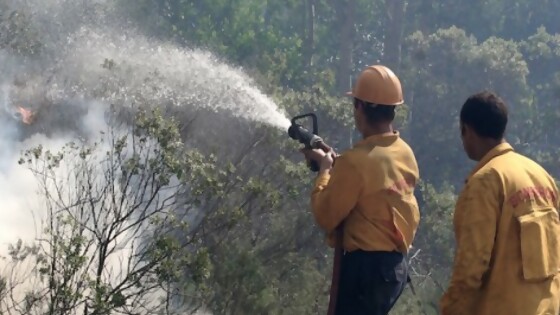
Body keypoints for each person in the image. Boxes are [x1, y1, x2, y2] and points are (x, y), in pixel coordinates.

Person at [302, 65, 420, 315]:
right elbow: (375, 182)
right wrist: (340, 164)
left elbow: (325, 215)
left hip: (366, 272)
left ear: (360, 107)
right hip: (394, 270)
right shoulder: (404, 153)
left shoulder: (356, 163)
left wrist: (325, 170)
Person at [440, 91, 560, 315]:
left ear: (467, 130)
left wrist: (451, 310)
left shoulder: (486, 181)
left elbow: (471, 267)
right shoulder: (541, 176)